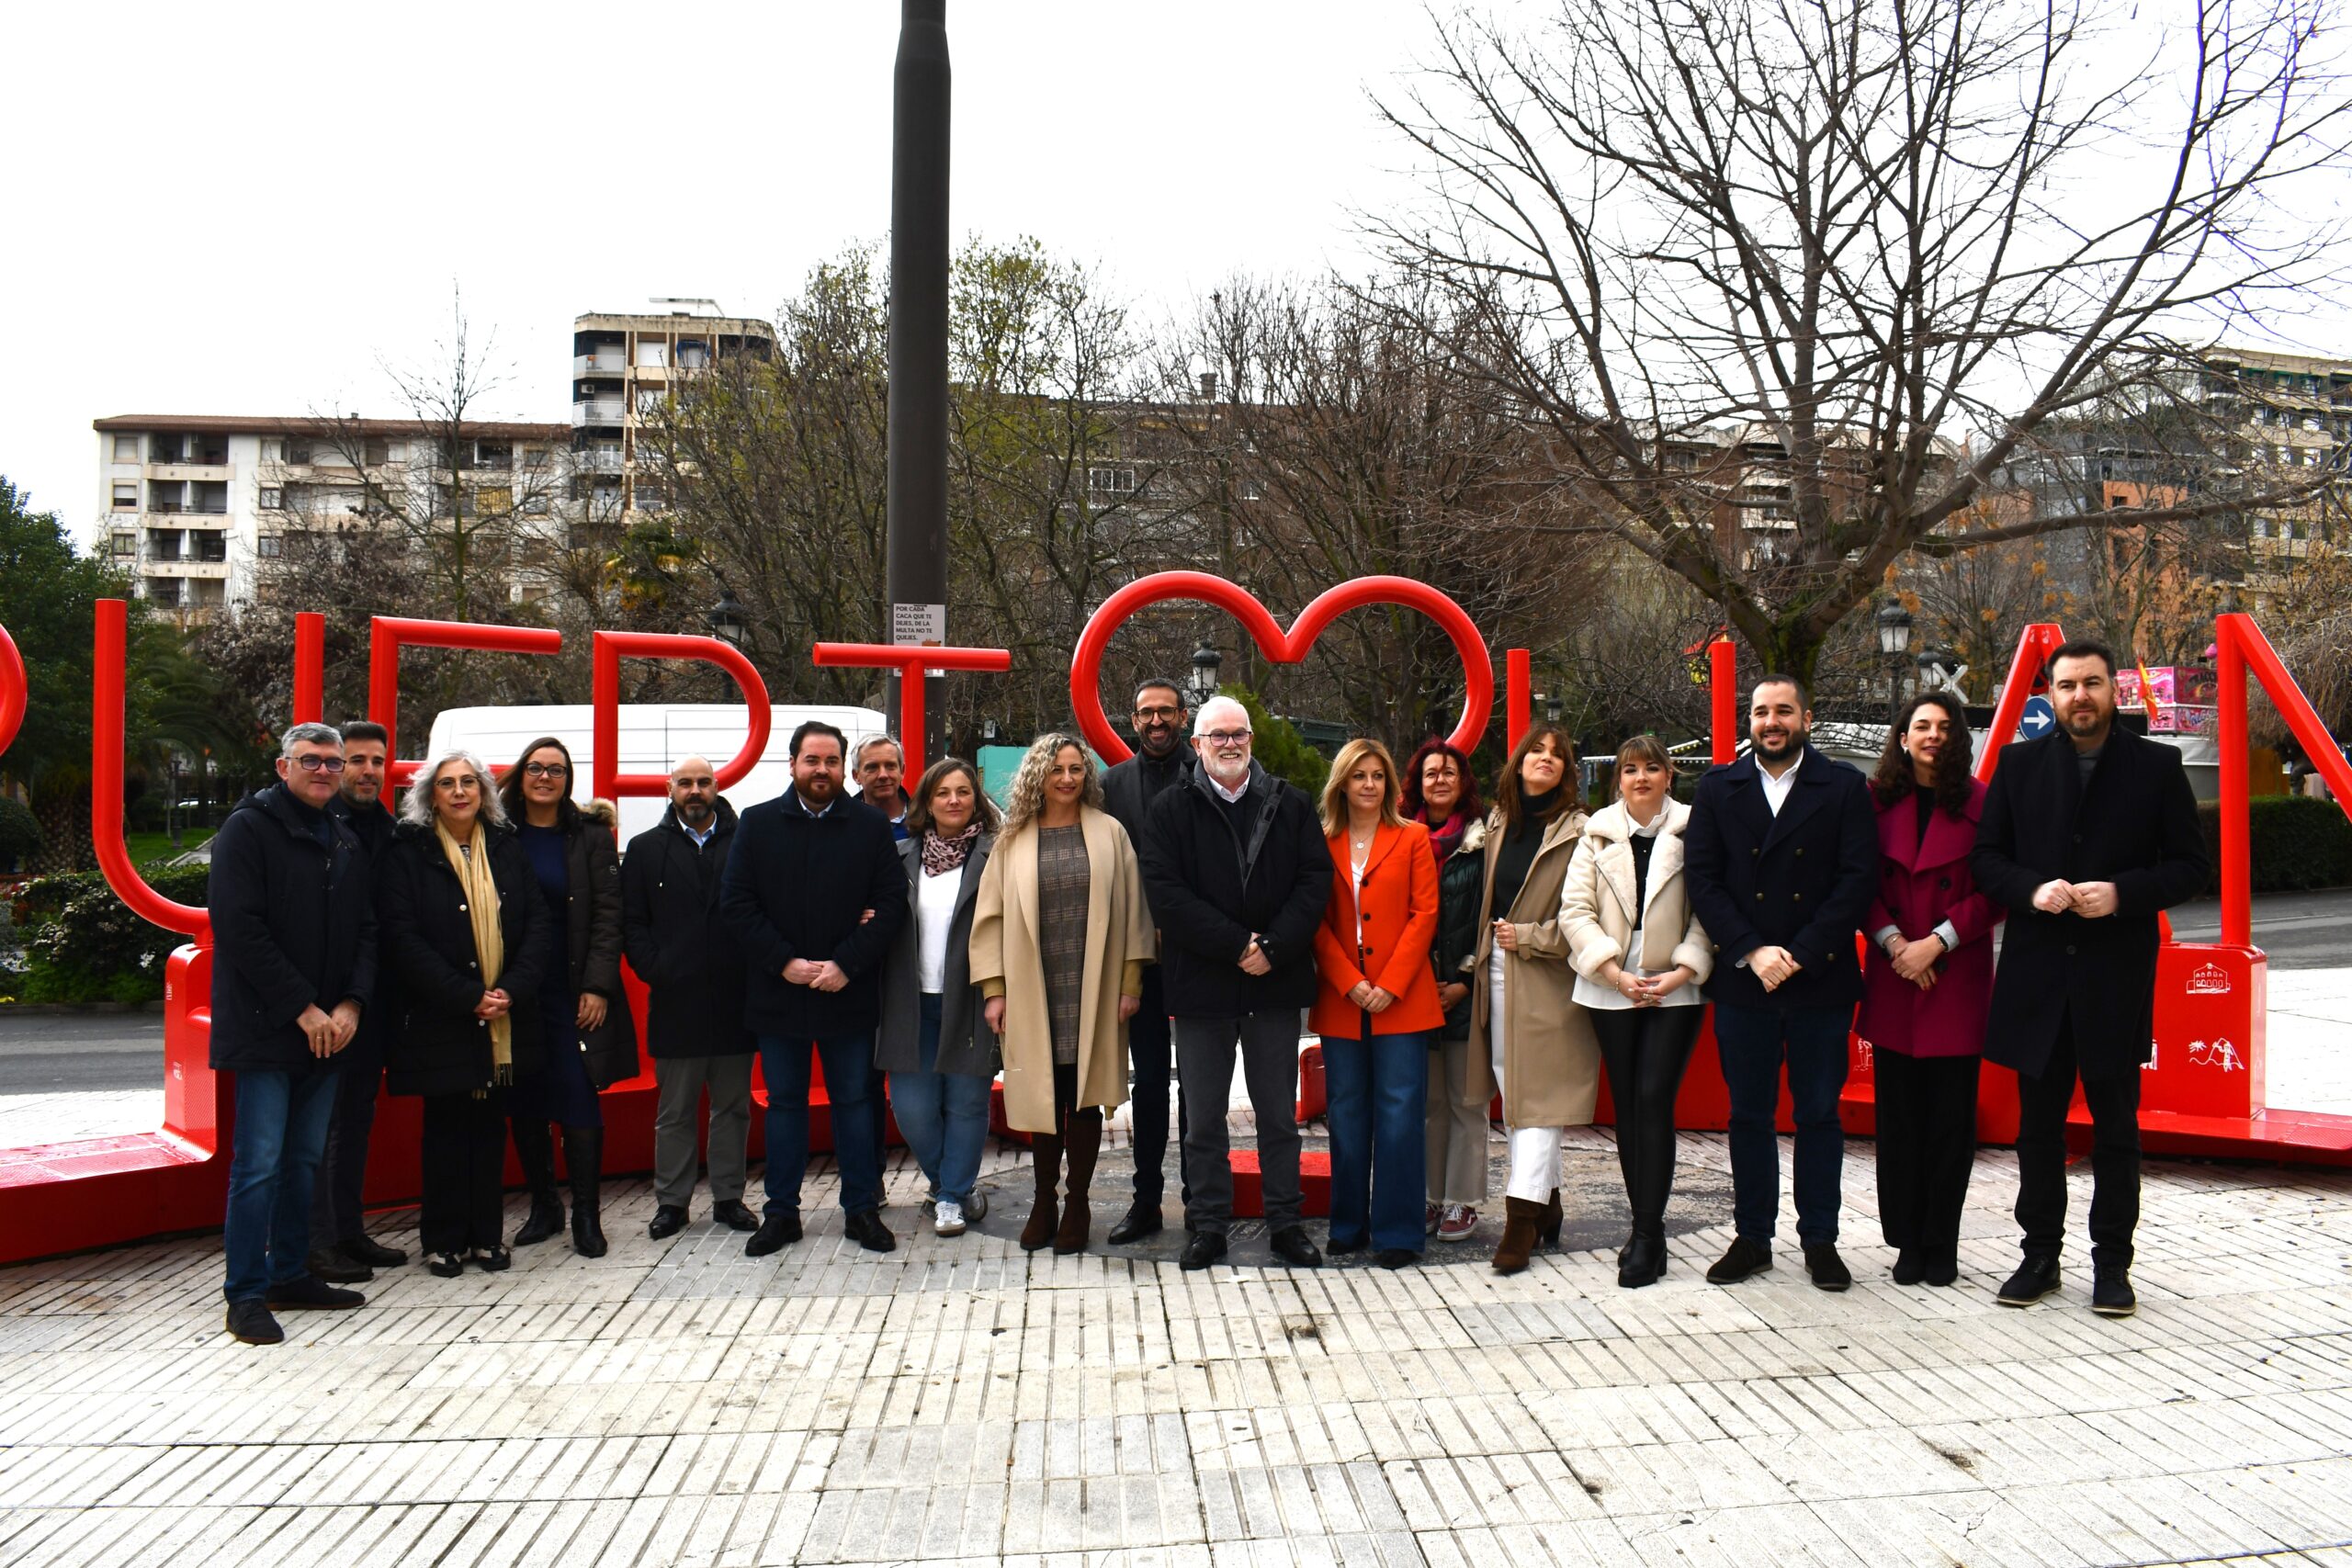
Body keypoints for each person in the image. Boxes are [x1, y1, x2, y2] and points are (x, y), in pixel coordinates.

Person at [1973, 640, 2209, 1317]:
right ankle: (2039, 1254)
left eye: (2093, 683)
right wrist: (2031, 889)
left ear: (2115, 691)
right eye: (2068, 684)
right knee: (2037, 1130)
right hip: (2038, 977)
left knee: (2116, 1131)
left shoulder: (2157, 766)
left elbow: (2191, 867)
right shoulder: (2017, 767)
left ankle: (2113, 1266)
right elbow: (1987, 861)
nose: (2081, 696)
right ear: (2050, 691)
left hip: (2115, 978)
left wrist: (2124, 893)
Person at [1684, 675, 1879, 1292]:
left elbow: (1857, 878)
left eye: (1784, 711)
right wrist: (1750, 949)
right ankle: (1752, 1237)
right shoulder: (1718, 787)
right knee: (1749, 1114)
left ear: (1807, 718)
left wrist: (1797, 952)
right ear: (1750, 720)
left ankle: (1820, 1239)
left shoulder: (1844, 785)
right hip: (1746, 979)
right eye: (1761, 711)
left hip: (1818, 977)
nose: (1772, 721)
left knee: (1819, 1114)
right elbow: (1704, 880)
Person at [1138, 695, 1335, 1271]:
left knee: (1278, 1114)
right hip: (1202, 987)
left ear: (1251, 740)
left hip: (1274, 984)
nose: (1229, 743)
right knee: (1202, 1117)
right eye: (1217, 735)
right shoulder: (1169, 811)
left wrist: (1271, 947)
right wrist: (1235, 945)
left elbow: (1313, 882)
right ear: (1195, 745)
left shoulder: (1291, 805)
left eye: (1239, 734)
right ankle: (1207, 1225)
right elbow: (1166, 895)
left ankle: (1286, 1223)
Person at [208, 723, 377, 1345]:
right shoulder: (247, 830)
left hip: (331, 1031)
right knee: (259, 1165)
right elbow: (240, 928)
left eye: (334, 762)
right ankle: (246, 1295)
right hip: (267, 1031)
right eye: (312, 760)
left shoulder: (344, 836)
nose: (327, 770)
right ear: (284, 767)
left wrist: (352, 1005)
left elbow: (366, 929)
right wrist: (304, 1008)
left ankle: (289, 1273)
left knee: (304, 1158)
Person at [720, 720, 908, 1256]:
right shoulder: (756, 825)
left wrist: (846, 963)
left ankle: (861, 1211)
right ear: (793, 765)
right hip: (780, 995)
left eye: (830, 761)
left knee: (854, 1102)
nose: (820, 770)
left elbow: (891, 903)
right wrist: (784, 963)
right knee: (785, 1107)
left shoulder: (869, 826)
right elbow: (736, 904)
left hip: (847, 992)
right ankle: (781, 1214)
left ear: (840, 767)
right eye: (811, 760)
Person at [972, 735, 1151, 1255]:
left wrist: (1129, 984)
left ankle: (1078, 1202)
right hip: (1034, 986)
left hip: (1092, 984)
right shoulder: (1012, 840)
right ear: (1037, 776)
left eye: (1076, 769)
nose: (1068, 778)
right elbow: (990, 919)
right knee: (1043, 1099)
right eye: (1057, 770)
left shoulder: (1109, 833)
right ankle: (1043, 1200)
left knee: (1082, 1097)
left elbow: (1134, 911)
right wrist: (994, 991)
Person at [378, 750, 554, 1278]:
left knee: (489, 1129)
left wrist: (511, 990)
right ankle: (443, 1241)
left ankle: (487, 1239)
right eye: (448, 784)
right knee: (446, 1131)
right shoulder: (408, 850)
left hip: (504, 1015)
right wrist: (464, 994)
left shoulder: (506, 846)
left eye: (469, 783)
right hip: (442, 1017)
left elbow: (538, 924)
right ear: (430, 794)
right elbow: (402, 937)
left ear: (484, 793)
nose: (460, 792)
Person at [1561, 736, 1713, 1288]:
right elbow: (1574, 911)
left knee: (1654, 1098)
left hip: (1675, 982)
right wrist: (1613, 972)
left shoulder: (1696, 828)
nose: (1641, 777)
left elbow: (1708, 908)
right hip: (1611, 983)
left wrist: (1682, 969)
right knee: (1627, 1104)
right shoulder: (1595, 831)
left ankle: (1649, 1234)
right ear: (1617, 779)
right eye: (1630, 769)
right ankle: (1642, 1225)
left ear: (1669, 776)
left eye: (1652, 768)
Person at [1860, 694, 2002, 1289]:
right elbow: (1856, 880)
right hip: (1896, 976)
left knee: (1951, 1124)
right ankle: (1906, 1240)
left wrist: (1937, 941)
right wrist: (1897, 944)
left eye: (1945, 727)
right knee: (1898, 1124)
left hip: (1953, 975)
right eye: (1921, 725)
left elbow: (1996, 887)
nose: (1933, 735)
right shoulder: (1872, 802)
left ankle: (1941, 1241)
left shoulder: (1982, 803)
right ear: (1902, 736)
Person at [1466, 722, 1600, 1275]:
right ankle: (1549, 1205)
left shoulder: (1583, 831)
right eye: (1536, 752)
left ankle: (1520, 1221)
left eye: (1557, 756)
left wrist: (1530, 937)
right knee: (1515, 1094)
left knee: (1538, 1100)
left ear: (1568, 772)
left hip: (1551, 980)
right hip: (1494, 973)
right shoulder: (1498, 822)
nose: (1546, 760)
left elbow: (1589, 916)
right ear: (1518, 763)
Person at [498, 737, 639, 1258]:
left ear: (568, 779)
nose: (545, 777)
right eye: (535, 767)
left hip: (574, 989)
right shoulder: (499, 834)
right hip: (516, 991)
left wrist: (598, 986)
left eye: (556, 770)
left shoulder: (591, 836)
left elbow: (609, 916)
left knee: (580, 1096)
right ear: (521, 773)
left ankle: (586, 1213)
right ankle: (543, 1206)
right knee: (526, 1097)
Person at [1310, 739, 1442, 1268]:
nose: (1369, 784)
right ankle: (1347, 1225)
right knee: (1345, 1114)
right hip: (1343, 999)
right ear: (1341, 782)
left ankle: (1399, 1233)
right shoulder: (1320, 842)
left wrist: (1389, 982)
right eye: (1359, 775)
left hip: (1402, 999)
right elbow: (1315, 921)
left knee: (1400, 1116)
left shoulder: (1413, 837)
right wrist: (1348, 980)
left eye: (1379, 776)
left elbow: (1424, 914)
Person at [622, 756, 759, 1240]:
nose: (695, 790)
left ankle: (728, 1198)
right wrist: (657, 969)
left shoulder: (747, 842)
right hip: (676, 1000)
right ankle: (672, 1202)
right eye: (686, 783)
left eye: (703, 782)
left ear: (717, 786)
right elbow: (631, 923)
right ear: (670, 788)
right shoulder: (644, 849)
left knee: (733, 1106)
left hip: (734, 999)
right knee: (675, 1110)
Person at [876, 757, 1001, 1238]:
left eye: (963, 792)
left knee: (968, 1103)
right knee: (911, 1108)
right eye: (943, 792)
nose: (953, 800)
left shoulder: (995, 856)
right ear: (927, 802)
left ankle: (949, 1197)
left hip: (971, 998)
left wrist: (1000, 991)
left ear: (976, 801)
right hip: (909, 1000)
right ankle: (952, 1182)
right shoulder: (900, 857)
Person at [307, 718, 406, 1285]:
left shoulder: (392, 832)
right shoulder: (320, 825)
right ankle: (318, 1242)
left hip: (375, 1004)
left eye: (377, 762)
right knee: (322, 1128)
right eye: (358, 760)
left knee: (356, 1122)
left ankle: (347, 1231)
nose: (368, 771)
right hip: (325, 1008)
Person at [1098, 679, 1195, 1245]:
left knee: (1202, 1086)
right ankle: (1147, 1201)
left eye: (1165, 711)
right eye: (1145, 713)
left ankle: (1200, 1196)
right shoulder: (1112, 785)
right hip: (1139, 960)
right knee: (1151, 1083)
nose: (1156, 721)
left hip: (1198, 954)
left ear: (1183, 716)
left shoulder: (1206, 773)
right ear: (1132, 720)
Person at [1402, 738, 1487, 1243]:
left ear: (1463, 783)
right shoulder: (1401, 837)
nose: (1439, 780)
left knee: (1466, 1101)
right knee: (1430, 1104)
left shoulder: (1482, 839)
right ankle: (1432, 1196)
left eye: (1449, 773)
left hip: (1464, 988)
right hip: (1414, 992)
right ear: (1417, 782)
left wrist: (1463, 982)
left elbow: (1491, 911)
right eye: (1430, 772)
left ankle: (1464, 1200)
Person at [856, 735, 910, 840]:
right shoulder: (840, 824)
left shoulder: (925, 821)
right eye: (872, 767)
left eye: (890, 766)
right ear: (856, 776)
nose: (883, 775)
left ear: (902, 771)